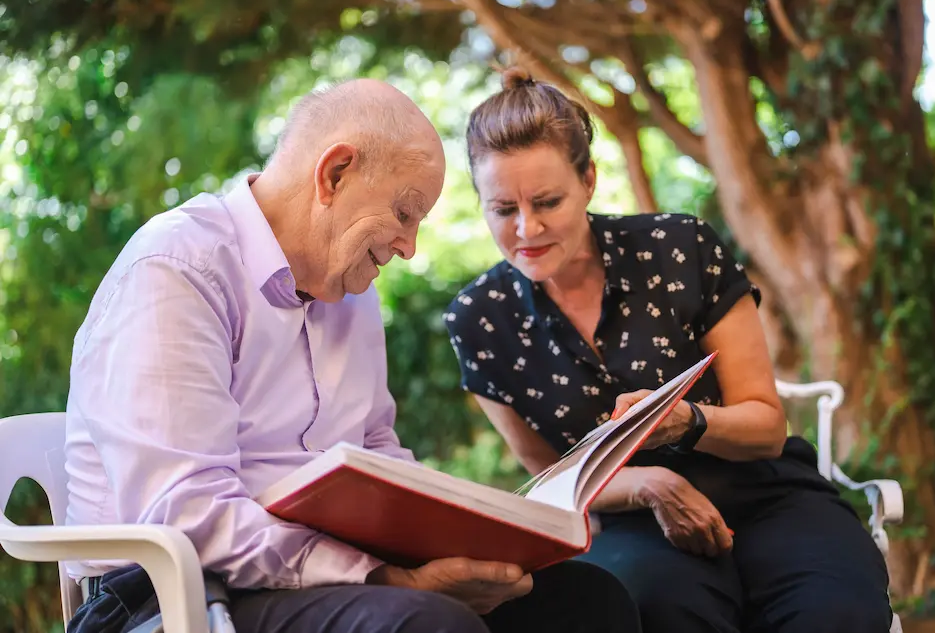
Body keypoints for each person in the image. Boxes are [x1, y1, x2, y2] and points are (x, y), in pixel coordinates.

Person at [63, 79, 642, 633]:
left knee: (588, 602)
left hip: (317, 580)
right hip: (167, 596)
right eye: (405, 213)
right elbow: (183, 514)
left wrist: (467, 544)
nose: (410, 248)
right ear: (335, 173)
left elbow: (377, 454)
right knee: (429, 624)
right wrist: (382, 576)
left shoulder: (348, 292)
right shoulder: (178, 269)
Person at [444, 67, 894, 633]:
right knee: (660, 611)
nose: (527, 229)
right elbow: (547, 473)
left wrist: (684, 421)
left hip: (769, 496)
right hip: (637, 526)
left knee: (836, 615)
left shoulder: (679, 247)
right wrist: (650, 484)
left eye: (547, 201)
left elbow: (766, 427)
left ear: (588, 180)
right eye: (503, 210)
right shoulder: (478, 318)